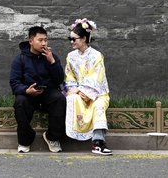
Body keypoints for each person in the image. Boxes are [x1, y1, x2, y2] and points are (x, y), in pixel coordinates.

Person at [9, 26, 66, 153]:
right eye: (40, 40)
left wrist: (52, 62)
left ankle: (52, 137)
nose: (44, 43)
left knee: (60, 99)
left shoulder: (51, 56)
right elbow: (14, 82)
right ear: (31, 41)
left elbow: (59, 80)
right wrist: (26, 90)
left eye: (46, 40)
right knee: (20, 102)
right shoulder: (20, 59)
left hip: (47, 93)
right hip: (28, 94)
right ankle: (25, 140)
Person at [64, 18, 112, 155]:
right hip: (80, 92)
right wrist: (77, 91)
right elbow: (69, 76)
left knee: (98, 106)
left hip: (98, 93)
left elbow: (97, 77)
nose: (71, 42)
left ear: (84, 38)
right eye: (70, 39)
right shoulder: (70, 56)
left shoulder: (97, 56)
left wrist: (82, 90)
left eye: (74, 39)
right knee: (71, 99)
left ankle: (98, 143)